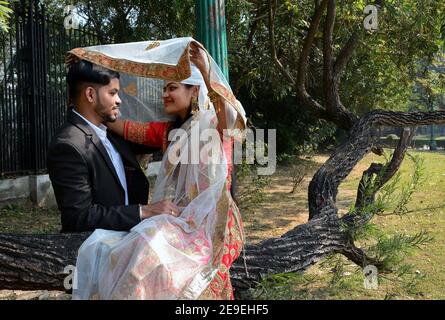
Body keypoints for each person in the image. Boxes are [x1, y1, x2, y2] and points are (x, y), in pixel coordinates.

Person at [69, 38, 247, 299]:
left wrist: (206, 72)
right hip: (180, 219)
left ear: (194, 91)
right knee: (142, 250)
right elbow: (116, 124)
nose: (165, 94)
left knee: (162, 259)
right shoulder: (168, 132)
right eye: (164, 87)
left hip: (214, 222)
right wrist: (85, 77)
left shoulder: (214, 124)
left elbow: (231, 117)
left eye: (172, 87)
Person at [47, 60, 180, 232]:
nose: (119, 101)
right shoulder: (68, 145)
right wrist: (143, 211)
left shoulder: (109, 132)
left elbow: (153, 137)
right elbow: (78, 218)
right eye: (113, 93)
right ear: (90, 94)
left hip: (127, 238)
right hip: (96, 248)